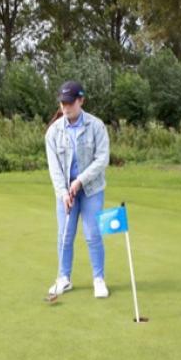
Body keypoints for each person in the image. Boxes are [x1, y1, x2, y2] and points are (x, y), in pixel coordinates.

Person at [45, 81, 110, 298]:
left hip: (91, 189)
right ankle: (64, 278)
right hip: (66, 191)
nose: (66, 107)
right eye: (63, 103)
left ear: (81, 100)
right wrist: (63, 193)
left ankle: (98, 279)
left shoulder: (96, 126)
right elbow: (54, 168)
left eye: (70, 103)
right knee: (65, 235)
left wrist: (80, 180)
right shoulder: (53, 132)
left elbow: (102, 159)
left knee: (92, 234)